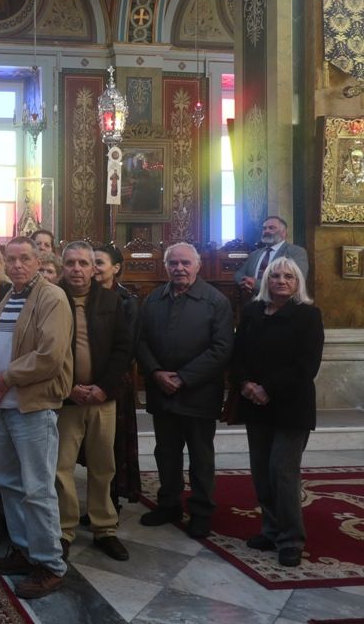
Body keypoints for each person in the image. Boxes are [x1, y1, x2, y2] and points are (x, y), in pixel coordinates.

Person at [0, 236, 73, 599]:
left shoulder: (52, 297)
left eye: (24, 258)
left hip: (32, 405)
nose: (17, 265)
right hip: (1, 403)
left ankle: (50, 565)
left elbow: (50, 355)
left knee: (37, 488)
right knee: (8, 481)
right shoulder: (10, 296)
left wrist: (5, 378)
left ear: (38, 261)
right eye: (12, 259)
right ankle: (22, 550)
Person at [231, 257, 324, 568]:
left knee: (283, 473)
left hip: (291, 406)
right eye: (275, 276)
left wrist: (266, 388)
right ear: (266, 281)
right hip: (255, 404)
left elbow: (307, 365)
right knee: (261, 471)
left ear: (298, 282)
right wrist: (246, 383)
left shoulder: (308, 315)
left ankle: (291, 539)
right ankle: (271, 531)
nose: (281, 281)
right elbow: (238, 354)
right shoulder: (253, 312)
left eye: (288, 276)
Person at [137, 242, 233, 539]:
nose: (179, 268)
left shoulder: (216, 301)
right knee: (166, 452)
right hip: (162, 391)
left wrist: (183, 378)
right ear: (166, 266)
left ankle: (201, 511)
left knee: (200, 456)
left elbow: (222, 349)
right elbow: (140, 341)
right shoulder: (153, 299)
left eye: (185, 263)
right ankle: (168, 504)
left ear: (198, 265)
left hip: (198, 393)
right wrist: (156, 372)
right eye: (173, 263)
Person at [54, 242, 133, 561]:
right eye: (70, 263)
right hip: (65, 399)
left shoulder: (111, 300)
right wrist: (68, 387)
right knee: (61, 467)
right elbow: (46, 349)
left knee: (103, 466)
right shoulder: (52, 298)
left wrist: (103, 387)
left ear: (92, 268)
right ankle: (64, 529)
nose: (77, 269)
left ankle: (104, 528)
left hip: (102, 398)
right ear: (62, 267)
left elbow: (123, 348)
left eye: (83, 263)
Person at [93, 244, 142, 507]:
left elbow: (129, 346)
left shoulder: (127, 301)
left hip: (114, 382)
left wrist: (106, 379)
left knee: (112, 445)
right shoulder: (82, 295)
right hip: (86, 381)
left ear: (115, 268)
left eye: (99, 262)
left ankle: (110, 503)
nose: (94, 268)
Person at [234, 216, 309, 293]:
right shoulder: (255, 254)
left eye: (271, 228)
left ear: (283, 232)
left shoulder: (296, 252)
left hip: (281, 299)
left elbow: (298, 280)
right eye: (264, 228)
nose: (266, 231)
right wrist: (245, 282)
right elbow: (239, 274)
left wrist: (256, 284)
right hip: (253, 298)